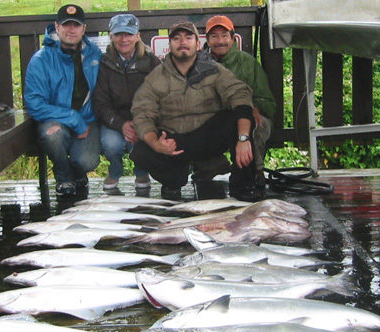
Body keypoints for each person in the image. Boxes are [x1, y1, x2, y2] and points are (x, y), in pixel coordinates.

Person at [130, 21, 256, 201]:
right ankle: (175, 177)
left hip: (206, 136)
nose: (182, 42)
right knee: (141, 150)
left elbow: (240, 96)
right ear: (170, 45)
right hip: (174, 140)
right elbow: (142, 112)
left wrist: (243, 138)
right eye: (176, 38)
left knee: (240, 118)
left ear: (197, 44)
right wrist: (155, 142)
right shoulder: (156, 77)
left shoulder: (214, 70)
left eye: (188, 37)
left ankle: (242, 187)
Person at [194, 15, 277, 198]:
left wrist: (254, 107)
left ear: (233, 38)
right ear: (207, 40)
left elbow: (268, 102)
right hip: (216, 121)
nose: (220, 41)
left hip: (246, 121)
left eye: (224, 35)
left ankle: (246, 182)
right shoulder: (197, 65)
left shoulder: (248, 63)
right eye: (214, 36)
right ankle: (211, 165)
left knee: (253, 125)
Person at [24, 4, 102, 197]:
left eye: (76, 25)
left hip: (88, 120)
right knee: (53, 135)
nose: (71, 30)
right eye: (67, 25)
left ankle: (78, 172)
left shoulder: (96, 56)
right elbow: (34, 103)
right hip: (55, 120)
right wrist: (73, 118)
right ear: (56, 27)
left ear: (84, 29)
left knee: (88, 162)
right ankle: (64, 176)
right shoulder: (40, 60)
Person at [93, 14, 162, 192]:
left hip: (143, 119)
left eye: (128, 34)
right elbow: (100, 102)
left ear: (137, 36)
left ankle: (142, 171)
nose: (123, 39)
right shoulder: (103, 63)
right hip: (114, 121)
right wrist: (120, 124)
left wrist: (142, 124)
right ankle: (115, 171)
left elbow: (159, 98)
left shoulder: (152, 62)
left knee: (145, 139)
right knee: (111, 144)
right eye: (118, 34)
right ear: (111, 36)